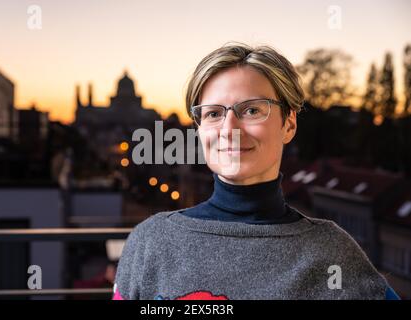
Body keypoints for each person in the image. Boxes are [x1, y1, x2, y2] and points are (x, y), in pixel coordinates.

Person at [112, 42, 399, 300]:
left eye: (251, 111)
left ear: (289, 124)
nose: (229, 130)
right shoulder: (149, 242)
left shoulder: (333, 253)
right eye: (213, 113)